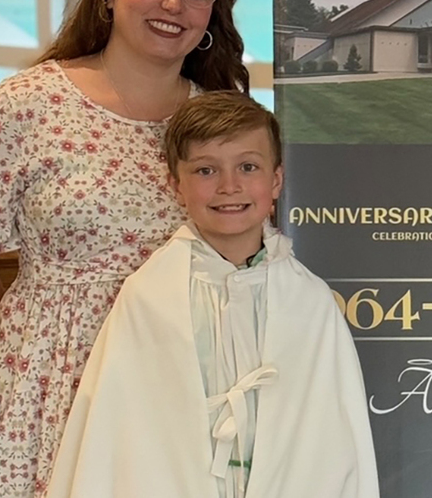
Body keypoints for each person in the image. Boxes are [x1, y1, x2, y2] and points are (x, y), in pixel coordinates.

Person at [0, 0, 250, 498]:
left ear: (212, 14)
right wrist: (25, 338)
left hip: (179, 378)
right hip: (49, 384)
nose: (173, 4)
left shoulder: (219, 122)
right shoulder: (24, 106)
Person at [46, 92, 379, 498]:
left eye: (248, 167)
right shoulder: (149, 297)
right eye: (206, 170)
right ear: (176, 185)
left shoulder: (310, 302)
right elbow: (119, 436)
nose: (229, 186)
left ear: (275, 181)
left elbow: (334, 437)